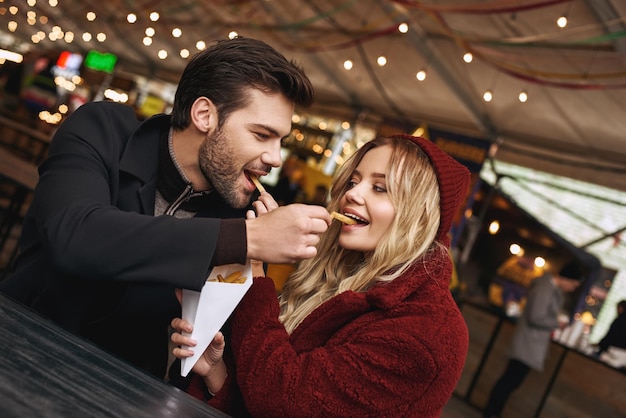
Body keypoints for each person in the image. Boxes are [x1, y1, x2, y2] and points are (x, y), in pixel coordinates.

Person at [0, 37, 330, 378]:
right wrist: (248, 238)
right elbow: (75, 236)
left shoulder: (238, 214)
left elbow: (212, 357)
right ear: (204, 115)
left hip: (118, 391)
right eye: (262, 135)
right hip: (16, 348)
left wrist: (206, 356)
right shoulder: (103, 131)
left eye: (281, 142)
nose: (276, 158)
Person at [170, 134, 472, 417]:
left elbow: (283, 401)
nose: (352, 193)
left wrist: (259, 269)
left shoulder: (428, 334)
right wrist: (216, 375)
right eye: (353, 181)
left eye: (379, 188)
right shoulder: (347, 277)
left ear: (419, 215)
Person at [482, 261, 583, 418]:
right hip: (528, 344)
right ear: (567, 278)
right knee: (509, 382)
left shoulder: (551, 289)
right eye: (574, 284)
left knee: (510, 382)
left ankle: (492, 413)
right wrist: (556, 323)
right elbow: (535, 316)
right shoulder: (545, 288)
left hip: (530, 344)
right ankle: (491, 413)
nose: (573, 288)